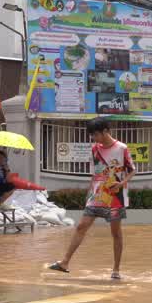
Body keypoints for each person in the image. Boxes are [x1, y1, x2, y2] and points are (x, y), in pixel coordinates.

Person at [48, 117, 134, 280]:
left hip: (116, 197)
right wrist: (89, 194)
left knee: (116, 233)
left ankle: (116, 270)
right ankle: (65, 262)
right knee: (81, 226)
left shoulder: (122, 148)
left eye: (95, 134)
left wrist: (121, 183)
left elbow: (132, 169)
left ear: (105, 131)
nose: (94, 138)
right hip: (97, 194)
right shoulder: (95, 149)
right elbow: (95, 173)